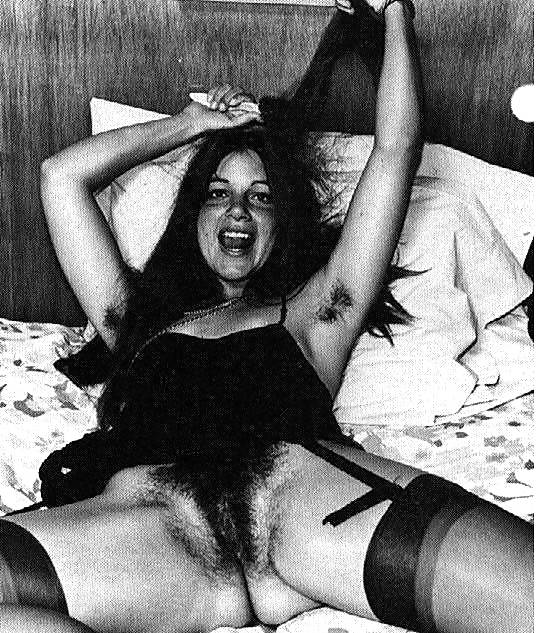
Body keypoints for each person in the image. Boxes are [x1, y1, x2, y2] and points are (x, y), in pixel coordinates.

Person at [2, 1, 532, 632]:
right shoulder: (133, 321)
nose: (238, 211)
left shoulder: (318, 312)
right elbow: (61, 176)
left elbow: (395, 150)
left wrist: (394, 11)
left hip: (302, 505)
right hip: (152, 533)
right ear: (192, 216)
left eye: (261, 197)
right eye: (217, 194)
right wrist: (193, 124)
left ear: (282, 224)